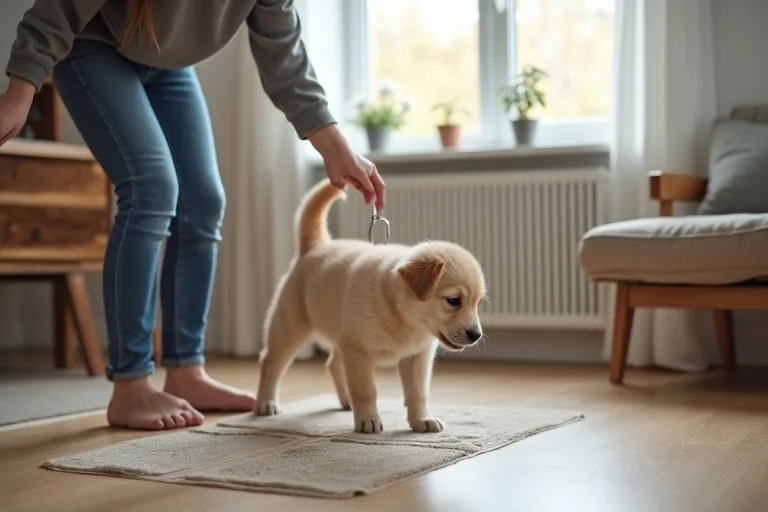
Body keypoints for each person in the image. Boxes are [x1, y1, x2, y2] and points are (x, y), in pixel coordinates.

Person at [0, 0, 386, 431]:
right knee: (151, 186)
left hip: (168, 64)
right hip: (92, 45)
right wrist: (22, 88)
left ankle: (186, 370)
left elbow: (282, 50)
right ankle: (130, 383)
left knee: (203, 201)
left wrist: (335, 146)